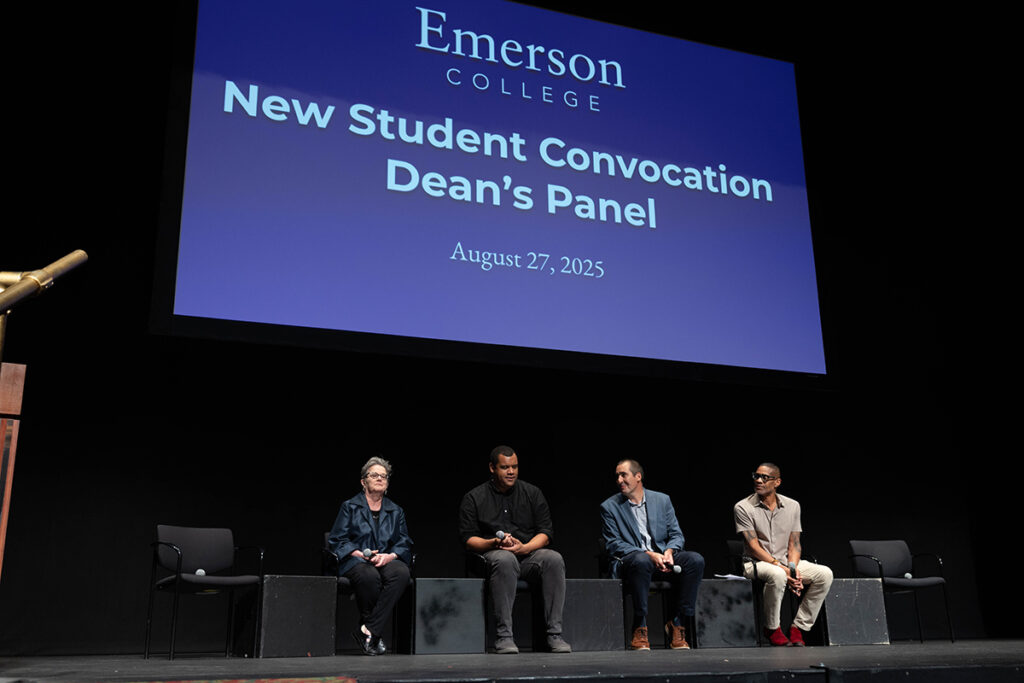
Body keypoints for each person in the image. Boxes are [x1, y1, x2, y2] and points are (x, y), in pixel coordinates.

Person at [458, 445, 572, 654]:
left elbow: (546, 532)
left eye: (515, 467)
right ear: (492, 468)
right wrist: (494, 542)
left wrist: (525, 547)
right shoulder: (474, 497)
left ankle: (554, 634)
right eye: (505, 467)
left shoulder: (532, 493)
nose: (511, 472)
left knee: (553, 559)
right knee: (504, 559)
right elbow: (468, 539)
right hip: (490, 559)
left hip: (527, 557)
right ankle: (504, 637)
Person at [600, 459, 705, 650]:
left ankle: (677, 622)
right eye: (617, 476)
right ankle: (640, 625)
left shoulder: (662, 500)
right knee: (641, 560)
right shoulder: (609, 507)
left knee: (695, 560)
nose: (619, 480)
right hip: (633, 562)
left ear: (638, 476)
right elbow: (613, 544)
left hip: (662, 559)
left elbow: (676, 534)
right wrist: (648, 554)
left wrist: (669, 551)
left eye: (623, 475)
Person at [733, 462, 833, 646]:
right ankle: (772, 628)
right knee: (778, 574)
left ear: (777, 482)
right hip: (756, 563)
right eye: (756, 476)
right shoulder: (743, 507)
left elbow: (794, 544)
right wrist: (783, 569)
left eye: (765, 477)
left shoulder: (792, 506)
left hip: (786, 562)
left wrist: (793, 570)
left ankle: (799, 627)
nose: (759, 480)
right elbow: (753, 547)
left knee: (825, 574)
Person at [328, 457, 414, 655]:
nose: (379, 478)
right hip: (355, 559)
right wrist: (358, 553)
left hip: (384, 558)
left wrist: (389, 556)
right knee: (369, 576)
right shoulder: (349, 506)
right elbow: (338, 539)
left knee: (401, 572)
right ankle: (372, 632)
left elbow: (404, 541)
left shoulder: (396, 510)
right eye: (374, 475)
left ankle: (368, 629)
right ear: (363, 481)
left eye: (383, 476)